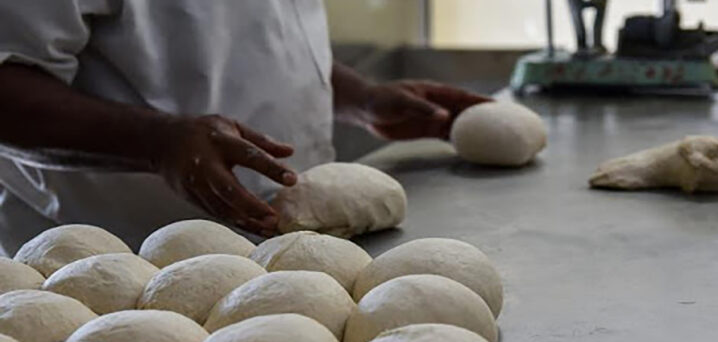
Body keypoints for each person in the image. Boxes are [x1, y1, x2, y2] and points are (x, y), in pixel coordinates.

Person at [0, 1, 490, 255]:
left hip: (294, 244)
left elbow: (254, 44)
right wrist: (158, 144)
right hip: (115, 259)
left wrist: (362, 98)